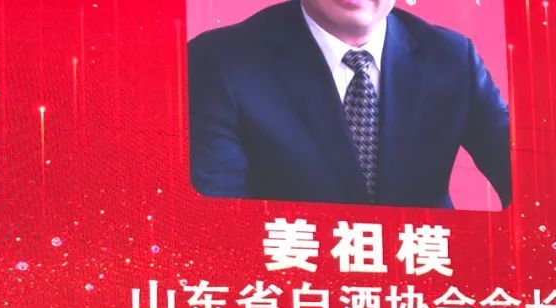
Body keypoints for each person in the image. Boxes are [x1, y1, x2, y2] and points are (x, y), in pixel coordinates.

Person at [187, 0, 512, 208]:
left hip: (426, 274)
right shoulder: (221, 62)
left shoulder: (452, 58)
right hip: (291, 278)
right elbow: (216, 217)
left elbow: (525, 174)